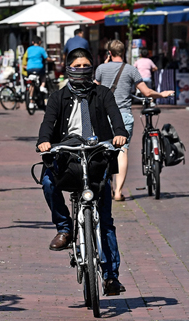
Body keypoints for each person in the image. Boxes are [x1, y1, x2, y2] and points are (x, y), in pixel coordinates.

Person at [37, 47, 128, 296]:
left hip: (97, 159)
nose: (81, 71)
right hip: (68, 159)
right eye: (76, 67)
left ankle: (111, 277)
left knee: (106, 222)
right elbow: (48, 123)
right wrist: (44, 140)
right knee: (47, 181)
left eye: (86, 66)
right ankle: (65, 228)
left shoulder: (103, 93)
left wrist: (120, 133)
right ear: (68, 68)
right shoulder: (58, 97)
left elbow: (115, 118)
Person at [95, 39, 175, 201]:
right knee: (122, 151)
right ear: (124, 53)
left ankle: (106, 188)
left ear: (109, 53)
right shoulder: (131, 70)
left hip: (104, 116)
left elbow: (93, 89)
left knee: (104, 151)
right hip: (123, 115)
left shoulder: (101, 68)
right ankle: (118, 192)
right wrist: (162, 94)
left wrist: (104, 66)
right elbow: (146, 92)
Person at [24, 36, 49, 108]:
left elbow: (25, 58)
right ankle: (42, 86)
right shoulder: (41, 49)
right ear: (40, 42)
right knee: (43, 75)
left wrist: (25, 65)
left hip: (29, 68)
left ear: (32, 42)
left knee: (32, 84)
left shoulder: (28, 49)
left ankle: (31, 102)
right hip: (39, 68)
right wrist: (52, 60)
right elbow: (46, 58)